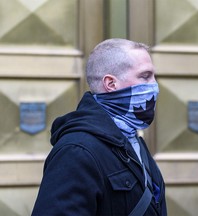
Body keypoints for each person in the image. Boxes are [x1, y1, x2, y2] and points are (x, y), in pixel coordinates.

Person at [32, 38, 167, 216]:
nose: (154, 85)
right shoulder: (76, 151)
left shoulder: (131, 139)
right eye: (145, 76)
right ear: (111, 84)